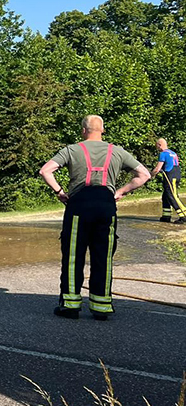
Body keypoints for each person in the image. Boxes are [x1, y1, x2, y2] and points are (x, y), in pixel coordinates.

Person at [39, 115, 151, 320]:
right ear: (103, 130)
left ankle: (70, 305)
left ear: (83, 130)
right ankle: (101, 307)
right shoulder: (117, 151)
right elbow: (144, 174)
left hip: (79, 205)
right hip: (106, 206)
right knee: (103, 256)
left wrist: (60, 192)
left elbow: (45, 171)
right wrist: (120, 192)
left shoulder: (72, 150)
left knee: (74, 255)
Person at [151, 138, 185, 224]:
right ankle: (166, 216)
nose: (156, 148)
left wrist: (151, 175)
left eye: (157, 146)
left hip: (170, 176)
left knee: (172, 196)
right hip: (176, 174)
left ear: (159, 145)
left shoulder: (163, 154)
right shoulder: (173, 153)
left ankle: (183, 215)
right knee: (165, 196)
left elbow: (157, 168)